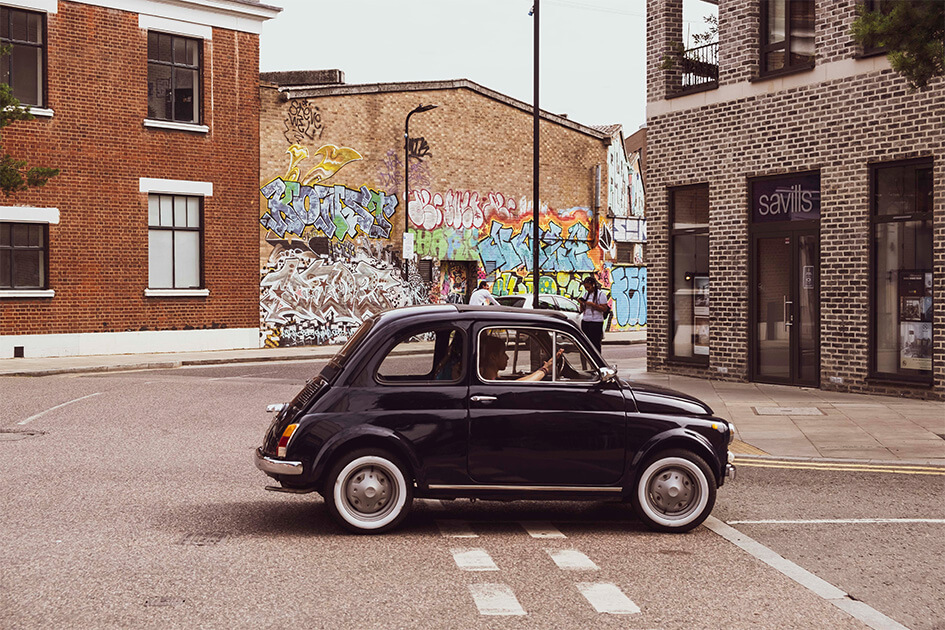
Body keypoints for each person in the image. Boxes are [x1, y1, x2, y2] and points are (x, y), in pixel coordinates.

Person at [479, 335, 561, 382]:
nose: (507, 357)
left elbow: (516, 383)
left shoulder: (493, 378)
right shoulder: (489, 380)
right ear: (493, 357)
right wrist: (545, 370)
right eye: (503, 353)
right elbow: (517, 385)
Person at [578, 275, 608, 352]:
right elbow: (582, 310)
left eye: (588, 287)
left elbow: (604, 309)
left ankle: (597, 360)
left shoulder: (601, 295)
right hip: (586, 321)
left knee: (595, 343)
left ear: (593, 285)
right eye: (586, 288)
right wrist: (582, 303)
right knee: (587, 343)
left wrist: (593, 305)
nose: (587, 289)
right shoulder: (586, 295)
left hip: (596, 322)